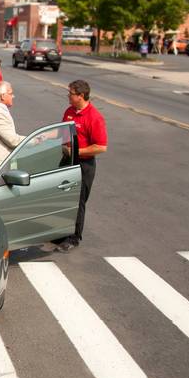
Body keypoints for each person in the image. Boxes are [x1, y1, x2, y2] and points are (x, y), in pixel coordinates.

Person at [56, 79, 108, 253]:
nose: (68, 96)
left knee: (78, 201)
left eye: (70, 93)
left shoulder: (94, 117)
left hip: (83, 164)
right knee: (61, 197)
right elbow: (62, 133)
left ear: (81, 95)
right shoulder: (69, 111)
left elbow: (101, 146)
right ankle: (60, 231)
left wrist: (77, 152)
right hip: (67, 160)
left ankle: (74, 237)